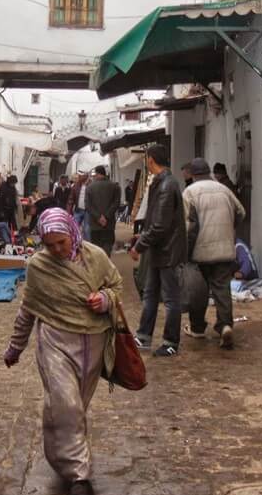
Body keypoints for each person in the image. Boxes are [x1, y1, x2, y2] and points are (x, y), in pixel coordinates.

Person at [3, 208, 122, 495]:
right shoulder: (38, 267)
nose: (56, 250)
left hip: (92, 343)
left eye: (62, 243)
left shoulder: (95, 257)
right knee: (66, 403)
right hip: (54, 341)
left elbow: (116, 285)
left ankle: (62, 456)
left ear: (73, 234)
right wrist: (15, 348)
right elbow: (27, 309)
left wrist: (105, 299)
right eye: (50, 244)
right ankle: (79, 476)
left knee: (74, 407)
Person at [129, 145, 187, 357]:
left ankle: (171, 342)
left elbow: (161, 225)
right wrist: (142, 238)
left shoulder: (166, 185)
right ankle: (143, 336)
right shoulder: (162, 183)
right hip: (159, 251)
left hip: (167, 251)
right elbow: (157, 221)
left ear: (150, 160)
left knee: (171, 299)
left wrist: (139, 245)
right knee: (151, 294)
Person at [182, 158, 246, 348]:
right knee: (222, 289)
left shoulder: (190, 192)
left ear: (193, 175)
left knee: (198, 291)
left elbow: (188, 226)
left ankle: (198, 328)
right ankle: (225, 325)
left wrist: (184, 252)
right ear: (209, 172)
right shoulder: (223, 189)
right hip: (225, 249)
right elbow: (241, 212)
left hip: (200, 251)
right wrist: (229, 230)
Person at [84, 165, 120, 256]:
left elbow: (88, 205)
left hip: (95, 223)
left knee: (96, 246)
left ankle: (99, 265)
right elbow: (116, 203)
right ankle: (106, 263)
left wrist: (98, 217)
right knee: (108, 244)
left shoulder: (89, 187)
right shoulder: (115, 186)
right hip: (109, 223)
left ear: (97, 173)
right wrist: (106, 217)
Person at [68, 171, 90, 239]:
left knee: (87, 229)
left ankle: (87, 244)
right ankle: (75, 241)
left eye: (81, 176)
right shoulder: (76, 186)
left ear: (86, 176)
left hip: (88, 211)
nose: (79, 177)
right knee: (75, 227)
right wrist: (69, 210)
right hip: (78, 210)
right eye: (79, 176)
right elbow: (71, 199)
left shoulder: (91, 185)